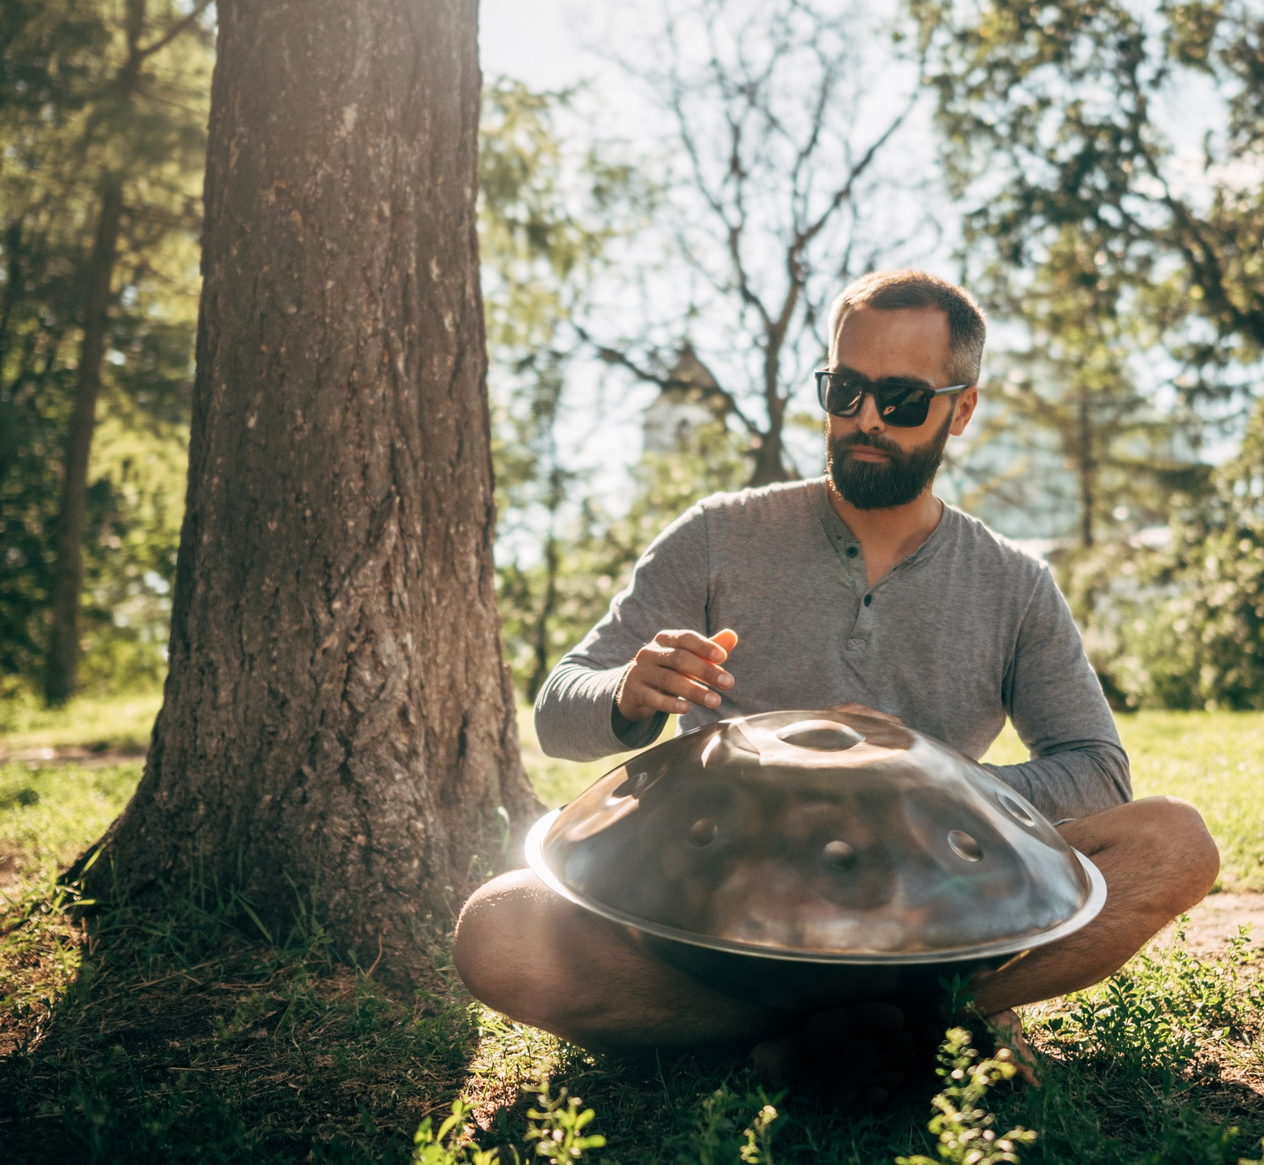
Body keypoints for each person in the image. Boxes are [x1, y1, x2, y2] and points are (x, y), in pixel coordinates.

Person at [453, 270, 1220, 1101]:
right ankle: (892, 1030)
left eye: (900, 400)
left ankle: (904, 1013)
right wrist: (630, 692)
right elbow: (559, 709)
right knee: (497, 927)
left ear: (961, 410)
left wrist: (918, 773)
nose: (863, 420)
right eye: (845, 389)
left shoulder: (1015, 583)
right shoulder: (719, 534)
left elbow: (1098, 768)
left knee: (1173, 842)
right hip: (719, 913)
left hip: (936, 907)